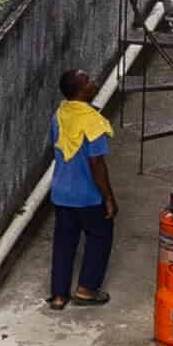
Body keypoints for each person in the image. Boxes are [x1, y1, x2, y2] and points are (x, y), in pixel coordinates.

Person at [46, 89, 118, 306]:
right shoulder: (93, 122)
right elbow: (96, 164)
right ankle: (87, 289)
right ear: (80, 89)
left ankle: (59, 296)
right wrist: (109, 197)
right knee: (99, 237)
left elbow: (55, 145)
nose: (94, 83)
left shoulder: (59, 115)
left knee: (63, 244)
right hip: (87, 196)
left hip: (61, 192)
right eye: (88, 81)